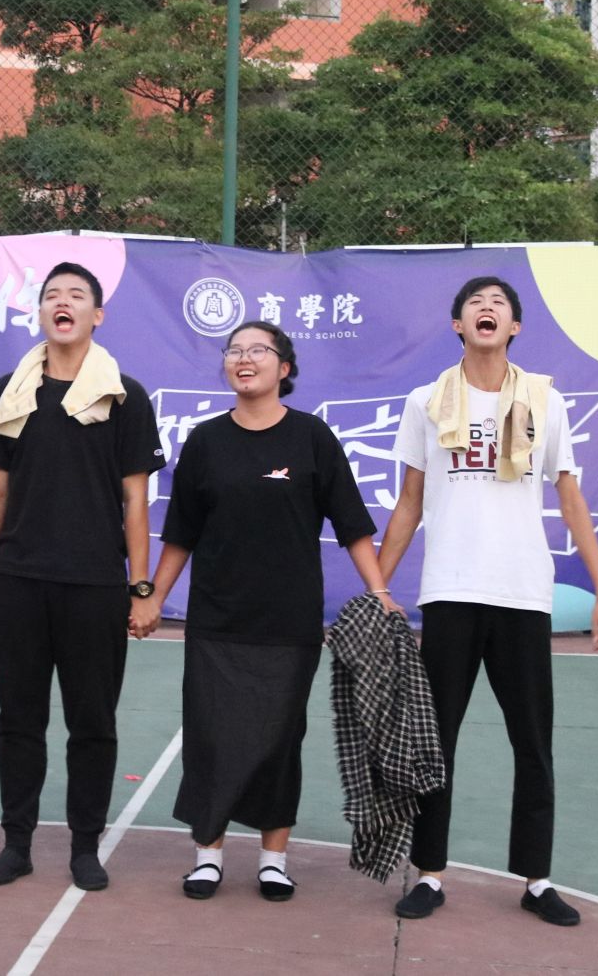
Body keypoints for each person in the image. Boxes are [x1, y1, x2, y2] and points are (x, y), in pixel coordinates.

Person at [377, 276, 598, 927]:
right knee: (437, 743)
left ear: (514, 326)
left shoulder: (545, 400)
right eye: (474, 304)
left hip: (521, 592)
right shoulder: (426, 401)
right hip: (450, 590)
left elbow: (570, 496)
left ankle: (537, 879)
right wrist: (377, 585)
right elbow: (409, 502)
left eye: (499, 304)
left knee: (533, 742)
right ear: (458, 324)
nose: (486, 309)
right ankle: (429, 873)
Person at [133, 320, 399, 901]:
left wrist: (379, 591)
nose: (244, 358)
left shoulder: (312, 437)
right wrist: (151, 596)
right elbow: (180, 534)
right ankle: (207, 856)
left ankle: (273, 860)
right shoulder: (205, 441)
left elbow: (353, 526)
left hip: (289, 624)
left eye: (258, 350)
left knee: (280, 740)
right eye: (235, 350)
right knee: (211, 736)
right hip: (217, 620)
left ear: (285, 367)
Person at [0, 262, 163, 892]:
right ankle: (16, 844)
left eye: (77, 295)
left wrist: (141, 588)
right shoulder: (10, 391)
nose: (63, 302)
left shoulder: (125, 395)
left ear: (96, 316)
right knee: (18, 720)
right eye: (52, 294)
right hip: (19, 580)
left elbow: (136, 501)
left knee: (93, 723)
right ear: (41, 314)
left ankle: (85, 848)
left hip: (95, 585)